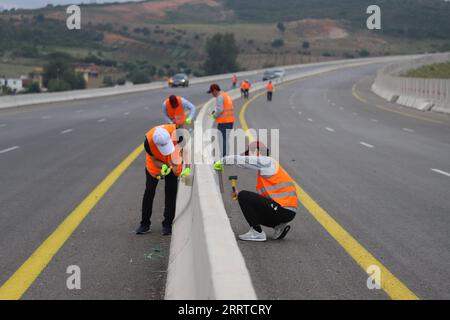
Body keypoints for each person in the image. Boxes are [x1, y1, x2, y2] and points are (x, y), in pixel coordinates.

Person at [213, 141, 297, 242]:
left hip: (283, 209)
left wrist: (222, 160)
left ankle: (257, 232)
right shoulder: (270, 168)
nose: (247, 155)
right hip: (287, 211)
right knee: (245, 199)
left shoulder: (267, 162)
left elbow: (243, 161)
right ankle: (278, 226)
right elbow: (265, 201)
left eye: (249, 153)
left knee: (244, 195)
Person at [136, 124, 191, 236]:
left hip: (174, 160)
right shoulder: (148, 142)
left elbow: (186, 151)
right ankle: (145, 224)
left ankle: (167, 224)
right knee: (149, 191)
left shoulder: (178, 134)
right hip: (155, 165)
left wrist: (188, 168)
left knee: (171, 192)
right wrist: (163, 166)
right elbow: (153, 159)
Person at [208, 83, 234, 157]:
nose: (212, 94)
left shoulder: (219, 97)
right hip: (230, 121)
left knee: (222, 140)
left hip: (224, 122)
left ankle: (224, 157)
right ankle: (226, 156)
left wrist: (214, 116)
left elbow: (220, 110)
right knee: (226, 140)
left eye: (212, 92)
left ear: (215, 90)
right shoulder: (226, 95)